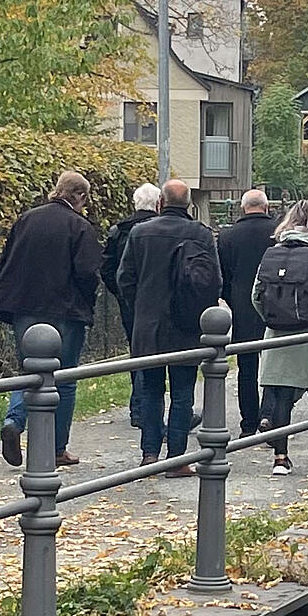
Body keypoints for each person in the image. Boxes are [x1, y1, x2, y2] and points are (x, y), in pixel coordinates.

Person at [0, 171, 101, 468]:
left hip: (25, 308)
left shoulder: (27, 219)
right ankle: (56, 448)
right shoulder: (80, 226)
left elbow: (6, 260)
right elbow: (88, 272)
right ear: (80, 196)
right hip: (65, 311)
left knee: (29, 370)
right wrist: (87, 302)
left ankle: (14, 421)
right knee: (63, 379)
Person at [117, 179, 220, 475]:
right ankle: (177, 458)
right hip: (187, 324)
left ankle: (150, 453)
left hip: (147, 324)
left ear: (160, 203)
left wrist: (140, 305)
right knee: (183, 391)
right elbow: (214, 279)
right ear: (189, 205)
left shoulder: (140, 233)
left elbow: (125, 278)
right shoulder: (200, 234)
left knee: (150, 389)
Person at [253, 201, 308, 476]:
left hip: (277, 336)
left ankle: (280, 457)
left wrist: (273, 319)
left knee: (280, 397)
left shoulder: (273, 252)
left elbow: (256, 295)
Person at [216, 189, 276, 437]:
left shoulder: (227, 236)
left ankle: (248, 422)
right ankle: (269, 415)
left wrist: (233, 299)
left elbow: (223, 276)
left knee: (246, 367)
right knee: (274, 366)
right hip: (275, 305)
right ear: (266, 207)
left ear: (243, 208)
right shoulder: (277, 232)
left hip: (242, 306)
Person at [101, 182, 160, 429]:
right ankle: (149, 407)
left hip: (130, 302)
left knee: (137, 351)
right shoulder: (158, 229)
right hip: (156, 301)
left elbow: (107, 268)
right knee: (160, 353)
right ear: (159, 204)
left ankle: (137, 407)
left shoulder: (119, 231)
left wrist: (122, 294)